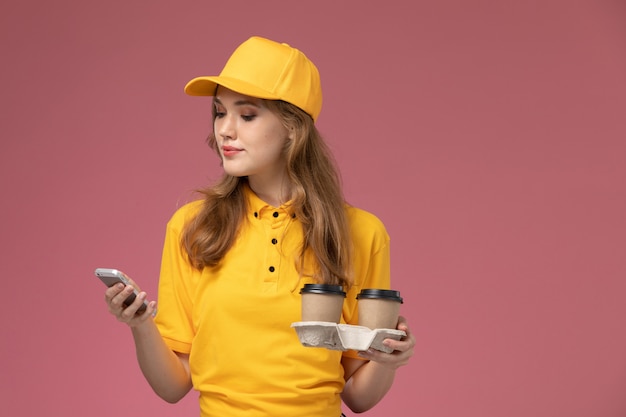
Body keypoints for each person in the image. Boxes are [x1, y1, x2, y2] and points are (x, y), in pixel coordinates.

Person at [104, 36, 415, 417]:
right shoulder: (192, 227)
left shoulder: (361, 233)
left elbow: (358, 397)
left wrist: (387, 358)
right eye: (219, 112)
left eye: (247, 115)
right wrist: (139, 324)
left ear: (292, 128)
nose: (225, 130)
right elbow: (172, 386)